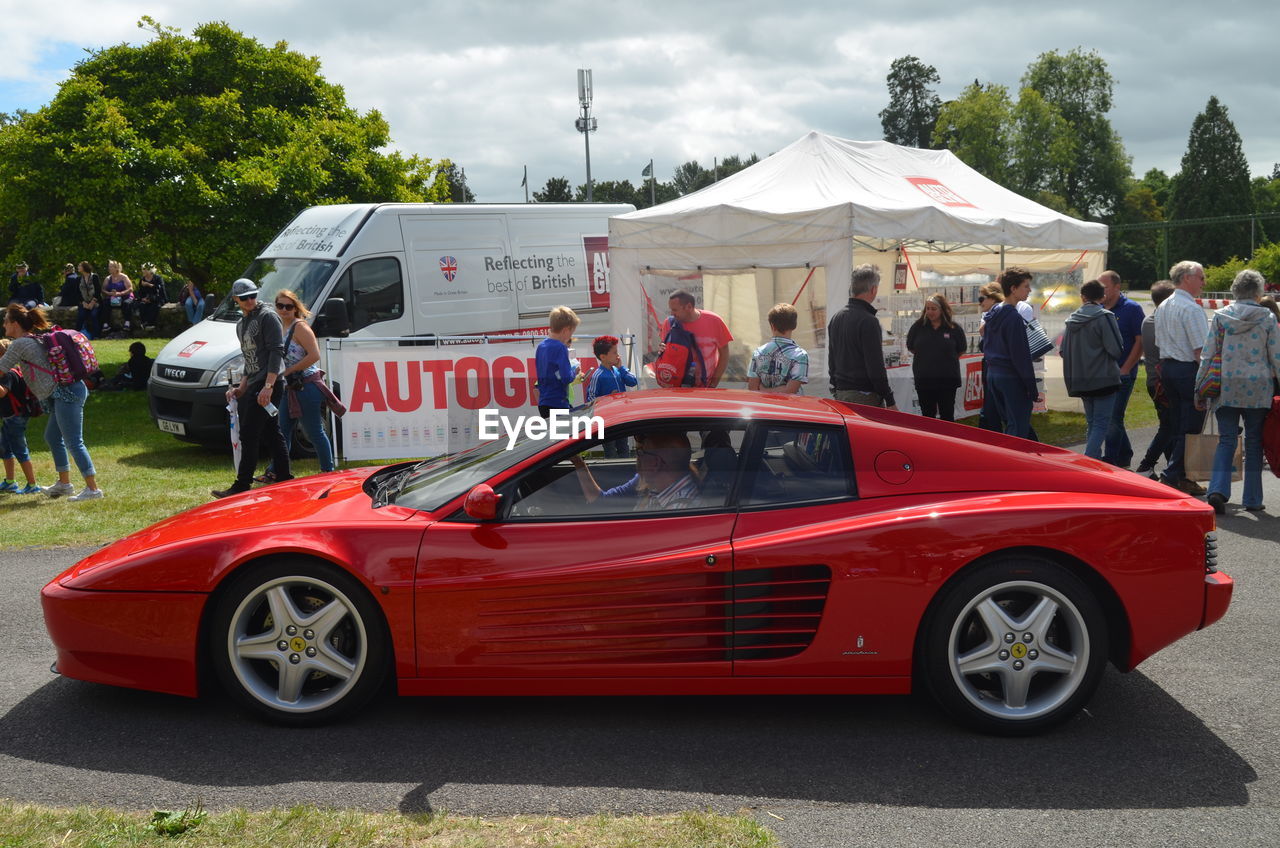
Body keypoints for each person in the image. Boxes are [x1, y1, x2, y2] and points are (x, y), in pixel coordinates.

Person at [1194, 269, 1280, 514]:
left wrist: (1199, 388)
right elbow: (1277, 355)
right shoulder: (1267, 318)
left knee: (1226, 440)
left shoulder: (1220, 316)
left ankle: (1218, 490)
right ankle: (1252, 499)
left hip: (1226, 386)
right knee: (1254, 443)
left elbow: (1208, 354)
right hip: (1258, 388)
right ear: (1258, 291)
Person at [0, 304, 103, 501]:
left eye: (5, 321)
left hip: (67, 393)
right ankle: (64, 484)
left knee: (74, 441)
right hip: (62, 393)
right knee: (52, 437)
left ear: (14, 324)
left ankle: (93, 489)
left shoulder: (20, 344)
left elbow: (1, 369)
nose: (3, 325)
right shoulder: (31, 340)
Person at [212, 279, 291, 499]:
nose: (249, 300)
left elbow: (277, 352)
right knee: (271, 432)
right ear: (235, 299)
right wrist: (241, 387)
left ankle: (242, 484)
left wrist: (268, 386)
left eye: (253, 296)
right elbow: (249, 360)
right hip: (257, 383)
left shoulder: (268, 316)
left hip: (270, 383)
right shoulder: (242, 323)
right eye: (244, 297)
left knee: (249, 433)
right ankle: (285, 478)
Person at [264, 289, 337, 476]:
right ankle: (275, 471)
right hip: (288, 388)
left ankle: (327, 471)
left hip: (306, 386)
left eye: (288, 306)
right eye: (280, 306)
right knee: (282, 432)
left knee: (313, 432)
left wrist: (289, 370)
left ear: (295, 308)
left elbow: (315, 355)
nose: (284, 310)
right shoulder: (280, 326)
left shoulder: (301, 327)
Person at [1155, 260, 1209, 495]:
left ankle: (1183, 477)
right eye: (1201, 277)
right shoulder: (1191, 308)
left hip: (1168, 369)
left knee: (1178, 423)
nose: (1204, 282)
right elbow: (1201, 352)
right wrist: (1210, 380)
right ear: (1187, 278)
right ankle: (1171, 475)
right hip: (1188, 370)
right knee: (1192, 427)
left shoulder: (1164, 305)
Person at [1062, 280, 1124, 459]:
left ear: (1082, 297)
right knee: (1101, 424)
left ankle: (1093, 464)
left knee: (1092, 423)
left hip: (1080, 379)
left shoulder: (1071, 320)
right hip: (1103, 378)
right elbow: (1116, 349)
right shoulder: (1105, 316)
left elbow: (1063, 351)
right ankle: (1087, 461)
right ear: (1103, 296)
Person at [570, 431, 703, 510]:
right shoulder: (645, 482)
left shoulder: (680, 507)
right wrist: (578, 462)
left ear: (655, 463)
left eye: (641, 452)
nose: (637, 458)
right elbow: (601, 500)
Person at [981, 267, 1041, 439]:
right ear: (1013, 289)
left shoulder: (993, 312)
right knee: (1018, 428)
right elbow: (1020, 356)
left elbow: (984, 344)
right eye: (1026, 286)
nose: (1029, 290)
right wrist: (1032, 388)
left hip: (994, 375)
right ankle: (1014, 465)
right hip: (1010, 376)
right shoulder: (1013, 317)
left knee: (1012, 423)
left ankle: (1031, 458)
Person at [828, 264, 897, 409]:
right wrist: (889, 399)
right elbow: (875, 367)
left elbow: (832, 361)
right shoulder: (868, 321)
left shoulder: (836, 317)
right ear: (874, 290)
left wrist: (836, 388)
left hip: (842, 393)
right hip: (864, 397)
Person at [1098, 270, 1146, 468]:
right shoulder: (1097, 307)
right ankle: (1125, 454)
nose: (1101, 291)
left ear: (1117, 287)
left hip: (1123, 373)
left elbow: (1140, 341)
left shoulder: (1132, 309)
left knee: (1112, 417)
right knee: (1111, 417)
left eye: (1105, 287)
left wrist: (1126, 368)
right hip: (1102, 373)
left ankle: (1110, 461)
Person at [1136, 281, 1178, 479]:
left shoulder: (1148, 321)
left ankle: (1171, 470)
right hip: (1164, 382)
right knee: (1170, 427)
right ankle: (1146, 465)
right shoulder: (1163, 322)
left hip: (1154, 381)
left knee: (1168, 425)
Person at [906, 294, 966, 420]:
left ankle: (946, 439)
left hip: (947, 381)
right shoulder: (918, 327)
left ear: (942, 310)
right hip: (925, 381)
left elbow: (961, 349)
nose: (930, 312)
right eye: (927, 308)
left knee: (947, 414)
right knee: (927, 416)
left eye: (933, 309)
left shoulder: (953, 328)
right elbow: (911, 347)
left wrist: (944, 359)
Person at [662, 290, 733, 388]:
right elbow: (666, 353)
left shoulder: (714, 321)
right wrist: (663, 350)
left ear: (689, 307)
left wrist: (713, 384)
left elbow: (724, 354)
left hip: (705, 388)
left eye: (675, 310)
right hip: (676, 388)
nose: (671, 313)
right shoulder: (669, 323)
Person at [0, 338, 43, 494]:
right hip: (10, 416)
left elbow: (2, 392)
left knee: (20, 450)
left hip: (15, 417)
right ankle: (10, 481)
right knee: (4, 448)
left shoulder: (8, 374)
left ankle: (32, 485)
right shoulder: (14, 370)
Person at [748, 303, 810, 395]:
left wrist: (763, 390)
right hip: (789, 407)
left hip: (763, 406)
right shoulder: (800, 355)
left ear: (772, 326)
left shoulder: (758, 352)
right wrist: (782, 388)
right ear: (794, 326)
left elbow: (752, 388)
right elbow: (791, 391)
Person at [534, 305, 581, 419]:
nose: (571, 336)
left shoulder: (541, 346)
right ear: (565, 330)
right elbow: (566, 378)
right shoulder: (560, 347)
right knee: (566, 436)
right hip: (558, 403)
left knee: (553, 436)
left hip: (543, 403)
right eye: (571, 332)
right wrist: (574, 371)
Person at [976, 283, 1005, 432]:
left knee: (1002, 408)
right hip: (991, 363)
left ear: (993, 298)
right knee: (991, 406)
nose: (979, 302)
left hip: (999, 365)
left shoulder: (998, 312)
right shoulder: (991, 312)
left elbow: (982, 331)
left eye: (982, 298)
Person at [100, 260, 135, 334]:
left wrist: (120, 293)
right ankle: (105, 324)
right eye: (109, 267)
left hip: (125, 297)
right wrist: (109, 293)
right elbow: (103, 289)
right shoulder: (108, 278)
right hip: (113, 298)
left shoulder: (123, 277)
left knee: (126, 304)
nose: (109, 268)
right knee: (105, 303)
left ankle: (127, 323)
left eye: (111, 267)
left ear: (116, 268)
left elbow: (130, 289)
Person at [135, 263, 167, 329]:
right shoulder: (142, 280)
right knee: (142, 305)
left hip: (157, 298)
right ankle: (144, 323)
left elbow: (160, 290)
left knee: (154, 306)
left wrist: (148, 285)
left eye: (144, 269)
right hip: (146, 299)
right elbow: (140, 293)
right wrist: (142, 299)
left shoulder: (158, 278)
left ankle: (150, 324)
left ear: (150, 270)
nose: (142, 271)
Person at [76, 261, 102, 339]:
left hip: (95, 302)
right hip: (84, 302)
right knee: (81, 315)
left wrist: (92, 302)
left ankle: (96, 335)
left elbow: (98, 290)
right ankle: (77, 335)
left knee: (94, 315)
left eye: (79, 266)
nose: (78, 268)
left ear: (84, 267)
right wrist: (83, 303)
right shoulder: (78, 279)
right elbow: (77, 292)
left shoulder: (94, 277)